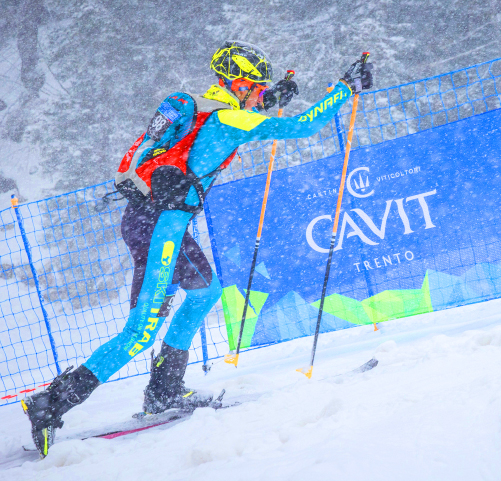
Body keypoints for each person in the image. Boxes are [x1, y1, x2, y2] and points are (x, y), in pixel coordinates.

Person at [21, 40, 374, 457]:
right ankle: (51, 403)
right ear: (238, 84)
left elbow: (228, 125)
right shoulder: (228, 118)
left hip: (163, 223)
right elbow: (301, 126)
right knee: (140, 333)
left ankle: (164, 391)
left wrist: (269, 99)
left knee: (205, 292)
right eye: (257, 88)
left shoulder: (211, 110)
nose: (260, 95)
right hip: (159, 228)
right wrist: (344, 88)